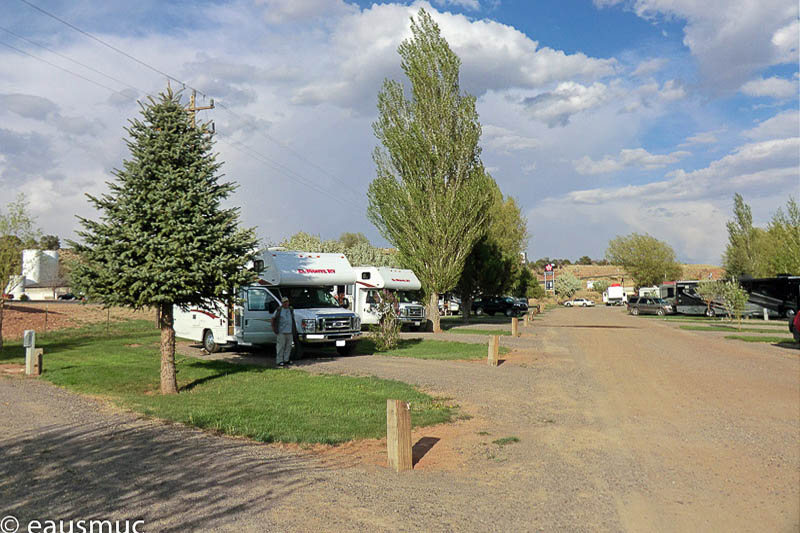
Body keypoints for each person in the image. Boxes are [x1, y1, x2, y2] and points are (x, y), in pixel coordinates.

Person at [271, 296, 295, 367]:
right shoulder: (278, 310)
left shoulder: (291, 309)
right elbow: (273, 319)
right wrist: (273, 328)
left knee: (289, 346)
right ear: (282, 303)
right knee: (280, 346)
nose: (286, 303)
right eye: (284, 302)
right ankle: (279, 361)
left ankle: (286, 359)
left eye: (287, 302)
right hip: (281, 331)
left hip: (289, 331)